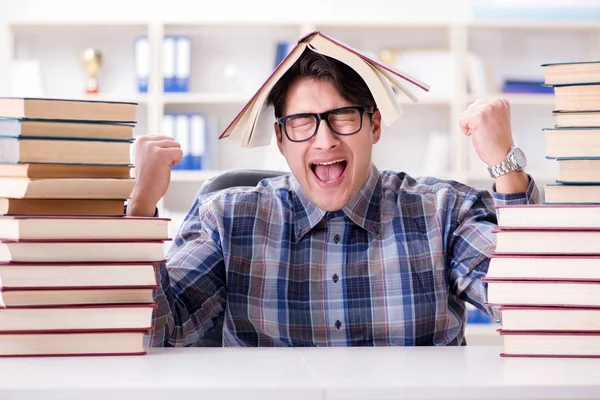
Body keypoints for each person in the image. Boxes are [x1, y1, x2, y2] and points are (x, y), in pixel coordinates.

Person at [127, 49, 542, 347]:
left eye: (343, 117)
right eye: (303, 122)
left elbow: (534, 312)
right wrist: (141, 205)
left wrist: (506, 166)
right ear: (280, 139)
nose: (325, 140)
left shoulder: (443, 211)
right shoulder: (227, 218)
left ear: (374, 126)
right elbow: (160, 330)